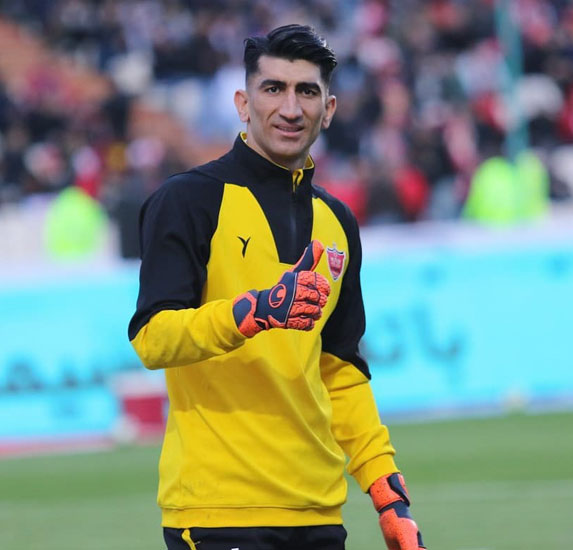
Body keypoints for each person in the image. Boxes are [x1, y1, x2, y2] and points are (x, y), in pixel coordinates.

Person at [128, 24, 426, 550]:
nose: (290, 108)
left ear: (328, 110)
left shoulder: (337, 221)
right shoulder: (188, 200)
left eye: (306, 91)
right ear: (243, 104)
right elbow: (153, 338)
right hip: (219, 512)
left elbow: (340, 372)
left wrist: (389, 497)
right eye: (273, 89)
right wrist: (253, 312)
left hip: (319, 512)